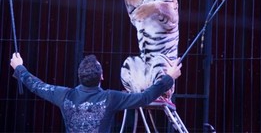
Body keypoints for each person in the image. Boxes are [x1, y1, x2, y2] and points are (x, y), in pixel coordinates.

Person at [10, 52, 182, 132]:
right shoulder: (110, 98)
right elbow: (144, 98)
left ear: (79, 76)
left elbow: (36, 85)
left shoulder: (64, 95)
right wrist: (168, 77)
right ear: (102, 77)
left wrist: (19, 67)